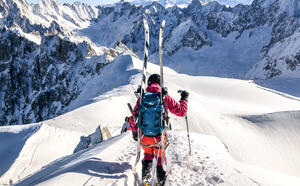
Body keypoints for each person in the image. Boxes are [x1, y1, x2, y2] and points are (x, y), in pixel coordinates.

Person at [128, 74, 189, 185]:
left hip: (145, 138)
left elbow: (134, 118)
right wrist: (184, 99)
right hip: (159, 138)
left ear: (149, 84)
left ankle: (146, 180)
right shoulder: (164, 97)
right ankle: (160, 181)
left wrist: (135, 132)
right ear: (160, 84)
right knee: (161, 158)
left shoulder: (142, 98)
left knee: (147, 155)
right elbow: (181, 111)